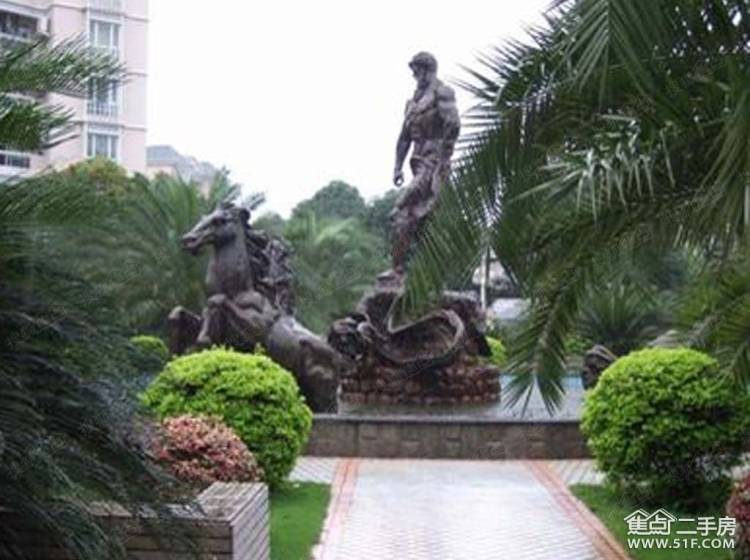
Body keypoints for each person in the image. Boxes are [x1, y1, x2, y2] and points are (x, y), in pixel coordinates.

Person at [389, 51, 460, 275]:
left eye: (416, 71)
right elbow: (404, 138)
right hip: (418, 164)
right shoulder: (412, 103)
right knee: (414, 219)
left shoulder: (442, 92)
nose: (414, 76)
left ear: (427, 70)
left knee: (402, 209)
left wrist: (444, 157)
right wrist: (397, 166)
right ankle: (400, 270)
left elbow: (453, 124)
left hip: (434, 163)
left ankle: (404, 270)